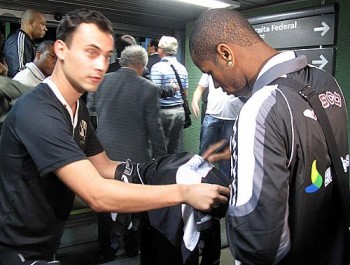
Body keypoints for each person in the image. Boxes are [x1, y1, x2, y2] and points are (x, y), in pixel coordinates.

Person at [0, 8, 229, 264]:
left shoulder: (77, 107)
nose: (101, 65)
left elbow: (104, 166)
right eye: (91, 52)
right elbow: (97, 195)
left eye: (107, 56)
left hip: (47, 239)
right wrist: (184, 192)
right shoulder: (39, 111)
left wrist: (164, 169)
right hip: (15, 247)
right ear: (61, 50)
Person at [189, 8, 349, 265]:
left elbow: (258, 243)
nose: (215, 85)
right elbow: (305, 154)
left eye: (209, 72)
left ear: (226, 53)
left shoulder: (261, 108)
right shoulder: (327, 82)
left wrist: (238, 199)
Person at [89, 44, 166, 261]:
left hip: (103, 156)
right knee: (136, 204)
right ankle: (132, 248)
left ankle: (107, 250)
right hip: (136, 159)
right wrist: (161, 159)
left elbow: (92, 113)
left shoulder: (101, 82)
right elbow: (155, 129)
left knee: (104, 203)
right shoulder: (148, 88)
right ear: (141, 65)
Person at [191, 73, 244, 265]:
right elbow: (199, 89)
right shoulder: (208, 71)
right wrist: (195, 102)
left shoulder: (237, 71)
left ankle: (224, 206)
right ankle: (200, 201)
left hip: (233, 119)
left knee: (227, 166)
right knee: (203, 160)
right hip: (212, 117)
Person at [150, 35, 189, 154]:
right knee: (174, 147)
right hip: (179, 112)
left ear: (161, 49)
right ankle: (171, 170)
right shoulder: (182, 68)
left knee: (160, 148)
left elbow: (154, 93)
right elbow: (185, 94)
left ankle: (159, 171)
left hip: (163, 112)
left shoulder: (157, 67)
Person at [4, 9, 47, 78]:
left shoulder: (27, 42)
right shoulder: (19, 39)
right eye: (42, 24)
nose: (45, 29)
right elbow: (19, 74)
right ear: (31, 23)